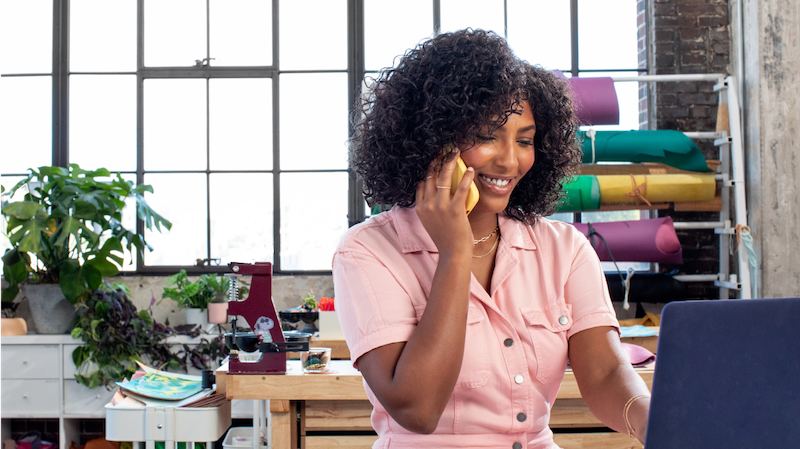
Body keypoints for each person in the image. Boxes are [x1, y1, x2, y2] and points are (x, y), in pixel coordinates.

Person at [333, 29, 651, 449]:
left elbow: (606, 373)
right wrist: (454, 251)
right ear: (433, 139)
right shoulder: (368, 251)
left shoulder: (564, 249)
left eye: (524, 140)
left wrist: (656, 422)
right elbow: (417, 408)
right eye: (486, 136)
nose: (509, 159)